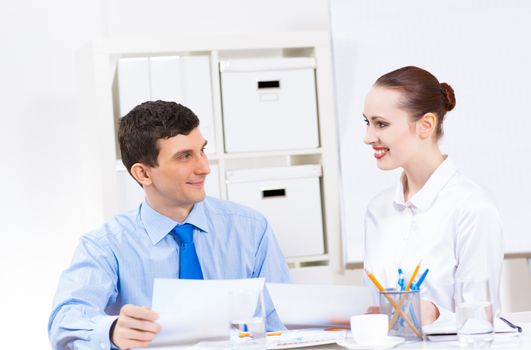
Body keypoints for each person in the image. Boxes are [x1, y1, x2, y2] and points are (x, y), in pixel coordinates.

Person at [48, 101, 290, 350]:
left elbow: (280, 323)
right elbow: (64, 324)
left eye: (202, 151)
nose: (204, 167)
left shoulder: (251, 229)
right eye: (185, 156)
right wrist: (111, 331)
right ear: (143, 174)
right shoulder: (105, 245)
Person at [362, 66, 503, 325]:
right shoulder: (377, 208)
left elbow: (481, 321)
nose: (368, 137)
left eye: (381, 124)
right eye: (367, 122)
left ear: (425, 125)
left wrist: (435, 315)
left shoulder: (473, 208)